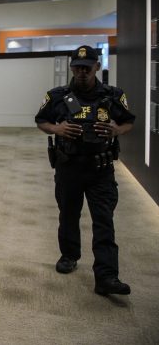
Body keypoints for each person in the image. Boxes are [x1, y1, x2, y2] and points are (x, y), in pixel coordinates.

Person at [35, 45, 135, 296]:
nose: (82, 72)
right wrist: (57, 129)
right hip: (68, 167)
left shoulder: (113, 96)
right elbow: (41, 120)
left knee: (104, 220)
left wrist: (116, 130)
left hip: (101, 169)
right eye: (77, 68)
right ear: (71, 68)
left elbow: (128, 121)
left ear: (97, 67)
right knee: (68, 215)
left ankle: (107, 276)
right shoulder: (57, 96)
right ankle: (69, 255)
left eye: (87, 68)